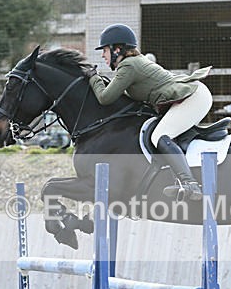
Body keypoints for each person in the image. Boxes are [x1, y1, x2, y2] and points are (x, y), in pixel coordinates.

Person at [84, 23, 212, 201]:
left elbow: (105, 98)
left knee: (160, 135)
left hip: (193, 97)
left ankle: (190, 184)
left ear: (117, 49)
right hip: (190, 95)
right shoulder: (133, 64)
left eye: (105, 50)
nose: (102, 55)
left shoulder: (129, 65)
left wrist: (93, 78)